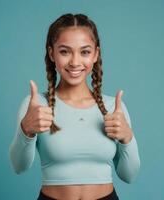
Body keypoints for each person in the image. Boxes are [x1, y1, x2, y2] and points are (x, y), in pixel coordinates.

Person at [9, 13, 140, 200]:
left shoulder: (113, 107)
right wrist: (26, 130)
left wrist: (128, 138)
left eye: (84, 52)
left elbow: (129, 176)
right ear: (51, 53)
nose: (75, 62)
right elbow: (18, 167)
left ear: (95, 54)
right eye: (65, 51)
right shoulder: (37, 106)